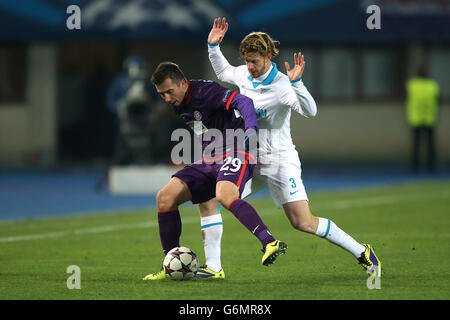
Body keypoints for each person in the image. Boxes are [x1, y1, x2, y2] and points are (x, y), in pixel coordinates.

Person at [193, 17, 381, 279]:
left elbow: (310, 111)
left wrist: (297, 84)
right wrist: (213, 47)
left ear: (268, 56)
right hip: (248, 158)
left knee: (302, 222)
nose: (250, 67)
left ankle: (362, 251)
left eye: (254, 61)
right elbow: (225, 72)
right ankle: (214, 268)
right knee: (211, 200)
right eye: (246, 61)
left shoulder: (282, 84)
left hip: (279, 159)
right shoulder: (244, 75)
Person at [143, 61, 287, 280]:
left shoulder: (205, 91)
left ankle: (270, 242)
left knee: (224, 194)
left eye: (169, 92)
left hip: (237, 151)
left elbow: (243, 100)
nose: (167, 99)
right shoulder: (178, 102)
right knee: (165, 198)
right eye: (162, 95)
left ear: (183, 83)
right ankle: (172, 264)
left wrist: (250, 130)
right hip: (210, 159)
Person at [406, 66, 440, 173]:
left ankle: (415, 166)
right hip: (430, 117)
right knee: (430, 144)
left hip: (415, 118)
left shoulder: (412, 85)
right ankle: (431, 166)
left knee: (416, 144)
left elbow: (407, 98)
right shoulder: (432, 85)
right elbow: (437, 100)